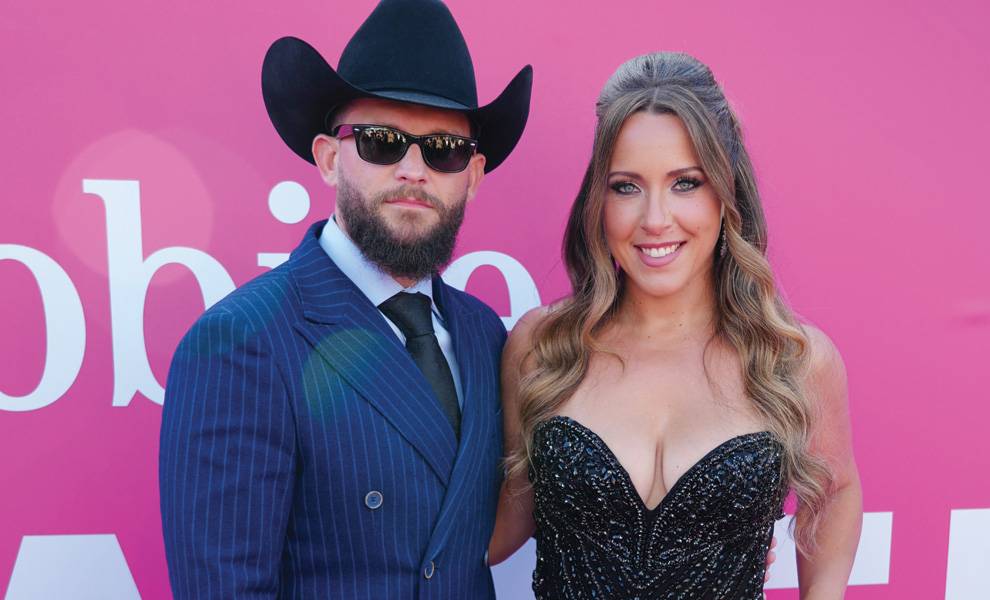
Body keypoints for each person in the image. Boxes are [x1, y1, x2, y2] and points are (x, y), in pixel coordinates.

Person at [158, 0, 532, 598]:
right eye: (382, 142)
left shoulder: (486, 333)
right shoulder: (241, 342)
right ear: (330, 158)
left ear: (474, 173)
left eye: (444, 149)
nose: (414, 169)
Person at [488, 52, 862, 599]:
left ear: (725, 189)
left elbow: (837, 491)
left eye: (685, 183)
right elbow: (505, 520)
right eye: (626, 186)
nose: (656, 219)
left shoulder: (795, 359)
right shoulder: (544, 349)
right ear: (598, 199)